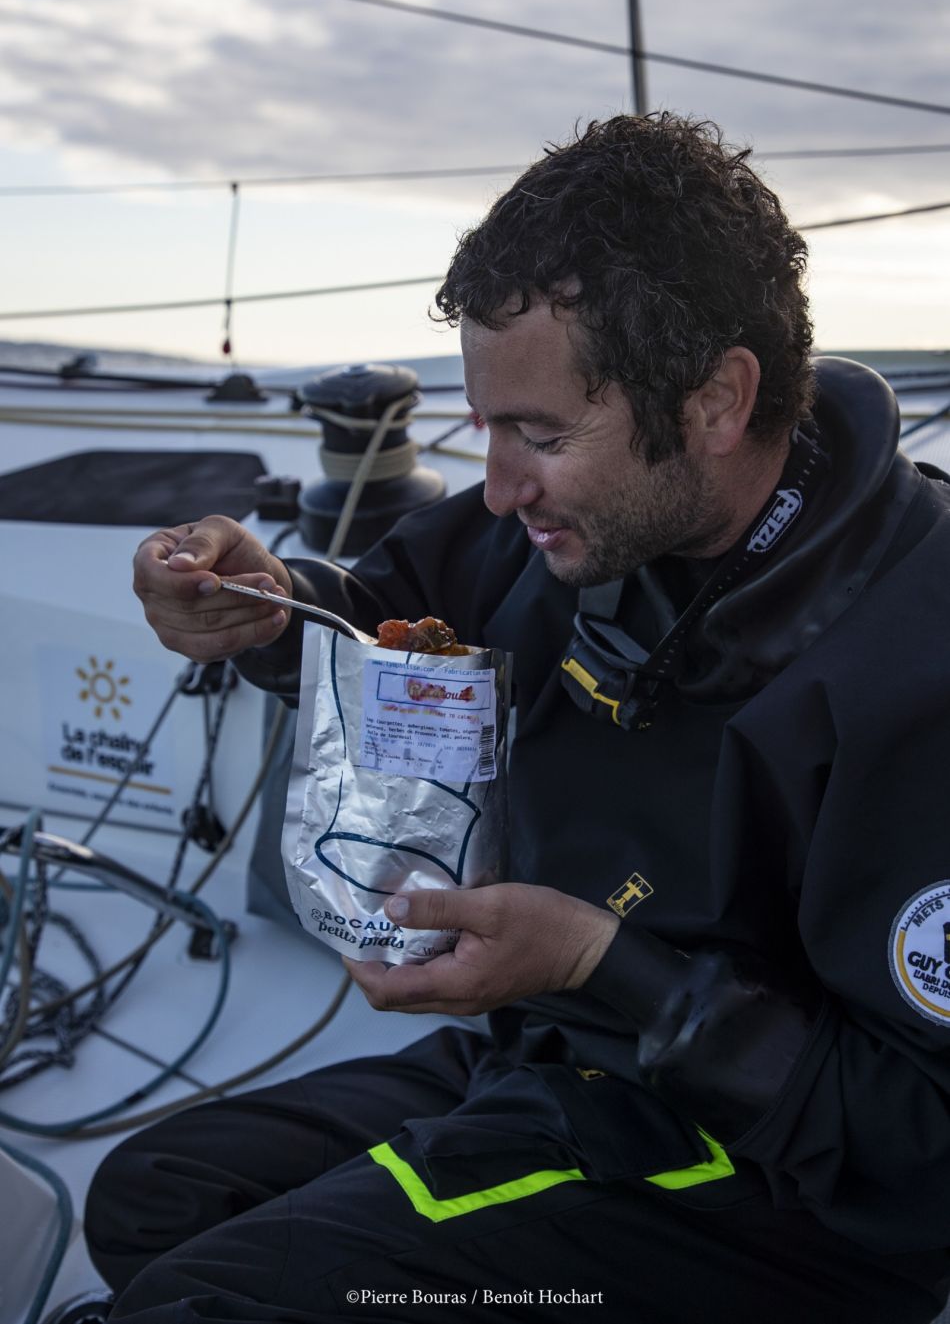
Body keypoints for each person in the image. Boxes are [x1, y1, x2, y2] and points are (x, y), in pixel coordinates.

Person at [87, 114, 950, 1323]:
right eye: (485, 425)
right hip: (554, 1046)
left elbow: (922, 1148)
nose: (494, 488)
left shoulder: (915, 664)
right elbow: (386, 620)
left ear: (713, 400)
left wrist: (602, 962)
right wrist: (265, 612)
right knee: (149, 1199)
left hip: (769, 1192)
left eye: (539, 436)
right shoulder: (568, 524)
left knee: (208, 1297)